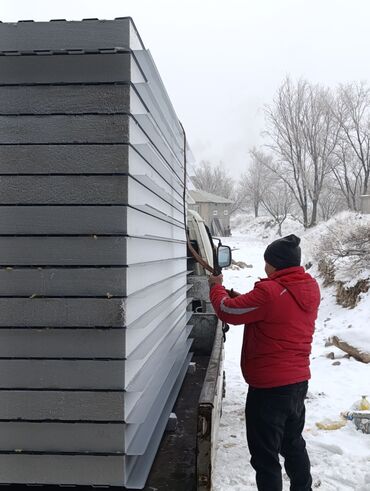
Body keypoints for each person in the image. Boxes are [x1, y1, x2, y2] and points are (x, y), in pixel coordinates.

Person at [208, 234, 320, 491]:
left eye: (266, 261)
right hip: (297, 383)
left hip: (269, 389)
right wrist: (236, 295)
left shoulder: (269, 291)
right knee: (293, 444)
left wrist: (215, 287)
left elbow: (228, 311)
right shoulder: (308, 287)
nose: (264, 266)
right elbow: (271, 307)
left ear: (276, 264)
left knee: (265, 456)